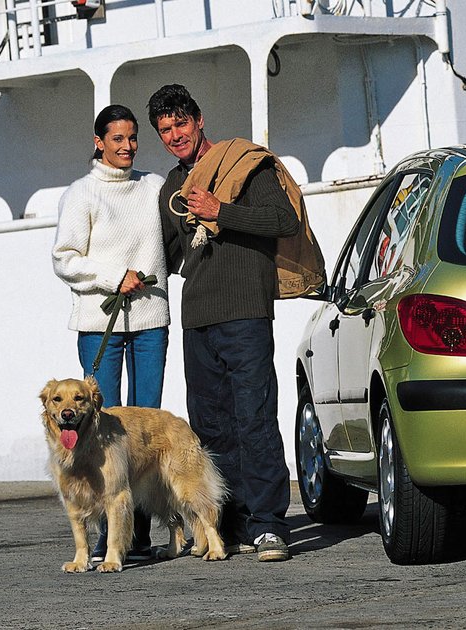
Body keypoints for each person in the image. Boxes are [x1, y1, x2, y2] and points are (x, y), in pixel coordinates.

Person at [147, 84, 299, 562]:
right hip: (197, 316)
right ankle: (228, 524)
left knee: (254, 416)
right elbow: (171, 255)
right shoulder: (171, 187)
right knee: (211, 426)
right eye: (165, 130)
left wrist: (221, 212)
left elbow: (283, 219)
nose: (175, 136)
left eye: (180, 124)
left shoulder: (245, 162)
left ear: (199, 120)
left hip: (246, 309)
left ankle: (271, 524)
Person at [52, 104, 169, 563]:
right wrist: (112, 276)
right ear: (99, 142)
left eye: (132, 137)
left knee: (143, 428)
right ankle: (104, 539)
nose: (127, 146)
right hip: (99, 324)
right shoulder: (81, 194)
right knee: (95, 429)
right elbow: (64, 258)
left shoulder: (154, 186)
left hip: (150, 320)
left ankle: (135, 533)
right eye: (117, 138)